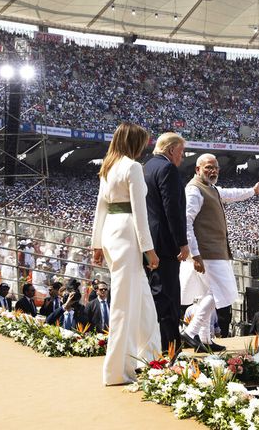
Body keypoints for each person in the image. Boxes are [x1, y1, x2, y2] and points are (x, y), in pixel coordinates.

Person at [91, 122, 161, 386]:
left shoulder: (108, 167)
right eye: (142, 142)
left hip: (111, 232)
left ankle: (151, 357)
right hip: (128, 234)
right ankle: (117, 371)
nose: (144, 147)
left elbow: (101, 208)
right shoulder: (132, 167)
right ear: (134, 142)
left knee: (143, 299)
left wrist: (97, 244)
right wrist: (149, 250)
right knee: (123, 304)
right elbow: (140, 213)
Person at [180, 153, 259, 345]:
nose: (213, 171)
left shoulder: (211, 188)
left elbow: (231, 194)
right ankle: (191, 331)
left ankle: (205, 340)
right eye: (208, 168)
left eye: (215, 168)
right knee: (225, 291)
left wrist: (252, 191)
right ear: (198, 169)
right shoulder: (194, 190)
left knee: (209, 294)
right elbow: (186, 222)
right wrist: (195, 254)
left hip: (213, 251)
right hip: (207, 252)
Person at [143, 132, 190, 352]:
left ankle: (169, 344)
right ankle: (168, 346)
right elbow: (173, 209)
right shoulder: (167, 169)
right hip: (165, 242)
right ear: (171, 150)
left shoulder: (147, 167)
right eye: (181, 152)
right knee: (167, 295)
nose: (183, 157)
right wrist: (182, 242)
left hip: (150, 240)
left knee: (160, 291)